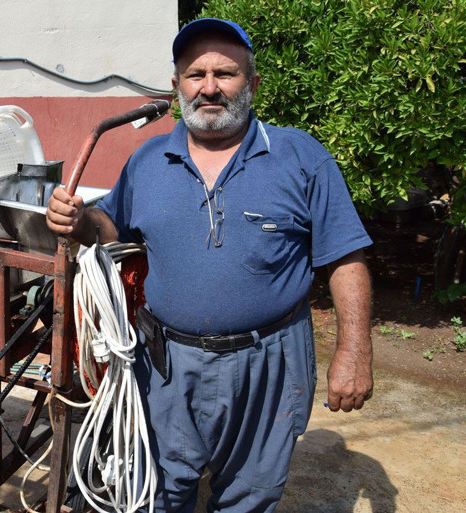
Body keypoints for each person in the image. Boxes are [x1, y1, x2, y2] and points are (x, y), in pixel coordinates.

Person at [46, 18, 374, 512]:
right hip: (165, 364)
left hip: (269, 363)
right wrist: (80, 221)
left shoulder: (301, 156)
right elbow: (114, 230)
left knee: (251, 495)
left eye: (227, 73)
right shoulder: (149, 158)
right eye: (195, 74)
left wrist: (354, 353)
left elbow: (345, 257)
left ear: (253, 84)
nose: (210, 87)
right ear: (177, 85)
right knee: (156, 490)